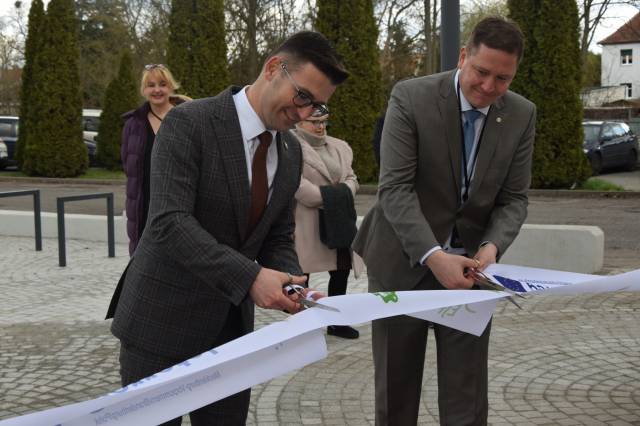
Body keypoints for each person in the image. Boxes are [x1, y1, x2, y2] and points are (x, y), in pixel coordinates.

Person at [106, 31, 348, 425]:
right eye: (303, 96)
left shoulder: (289, 151)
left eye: (318, 105)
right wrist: (252, 277)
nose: (306, 113)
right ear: (273, 68)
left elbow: (277, 233)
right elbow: (169, 222)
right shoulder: (189, 122)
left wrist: (292, 282)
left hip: (229, 330)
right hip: (159, 323)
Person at [352, 16, 536, 426]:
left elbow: (513, 199)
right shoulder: (411, 96)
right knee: (395, 394)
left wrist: (492, 247)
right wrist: (434, 256)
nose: (489, 88)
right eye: (481, 72)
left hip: (472, 271)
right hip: (403, 262)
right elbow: (394, 189)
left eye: (503, 79)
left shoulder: (522, 114)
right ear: (463, 56)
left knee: (466, 400)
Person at [292, 110, 363, 339]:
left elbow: (352, 178)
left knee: (341, 270)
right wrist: (335, 196)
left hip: (340, 220)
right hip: (306, 222)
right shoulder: (288, 145)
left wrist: (342, 193)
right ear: (299, 121)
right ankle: (302, 324)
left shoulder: (340, 146)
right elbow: (299, 188)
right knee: (303, 274)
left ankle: (336, 321)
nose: (320, 126)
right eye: (313, 122)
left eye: (323, 121)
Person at [120, 64, 189, 255]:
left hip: (181, 201)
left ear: (171, 86)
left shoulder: (188, 117)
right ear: (144, 90)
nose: (157, 89)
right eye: (151, 85)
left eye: (162, 84)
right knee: (145, 260)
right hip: (145, 204)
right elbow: (128, 165)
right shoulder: (134, 124)